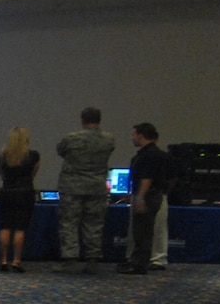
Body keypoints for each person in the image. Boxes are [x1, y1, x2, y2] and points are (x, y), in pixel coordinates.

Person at [56, 107, 115, 273]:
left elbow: (61, 151)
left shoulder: (71, 138)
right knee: (94, 224)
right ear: (99, 120)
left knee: (69, 223)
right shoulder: (109, 139)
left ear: (82, 119)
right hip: (96, 187)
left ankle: (69, 260)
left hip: (72, 187)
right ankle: (92, 260)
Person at [119, 122, 175, 275]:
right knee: (155, 229)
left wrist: (140, 197)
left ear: (140, 135)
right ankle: (154, 259)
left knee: (142, 230)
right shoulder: (163, 155)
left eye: (134, 134)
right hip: (159, 195)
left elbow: (146, 178)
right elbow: (173, 177)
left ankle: (139, 263)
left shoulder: (146, 156)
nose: (132, 137)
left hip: (147, 195)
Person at [0, 127, 40, 272]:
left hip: (7, 191)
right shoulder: (33, 156)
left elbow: (1, 174)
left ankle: (3, 261)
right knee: (20, 228)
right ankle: (16, 261)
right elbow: (33, 174)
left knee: (5, 226)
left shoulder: (3, 156)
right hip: (25, 192)